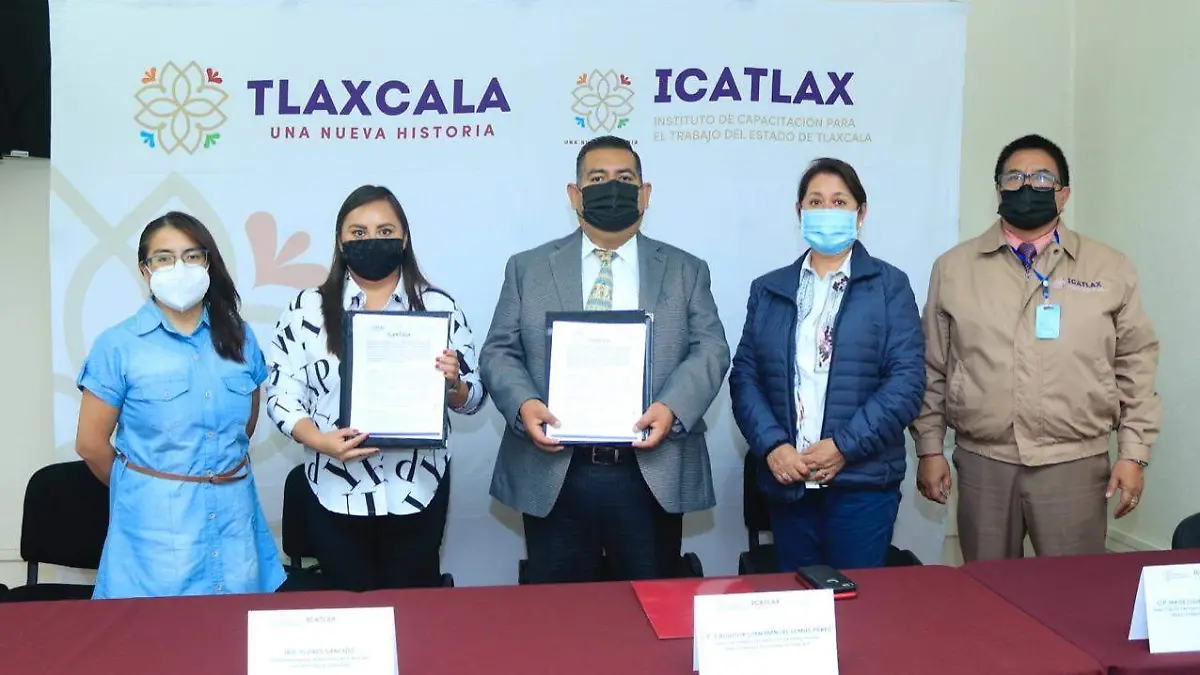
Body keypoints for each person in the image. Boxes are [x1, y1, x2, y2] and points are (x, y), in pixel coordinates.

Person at [481, 135, 730, 583]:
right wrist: (524, 405)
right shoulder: (527, 268)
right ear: (574, 195)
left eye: (624, 179)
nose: (611, 188)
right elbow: (499, 350)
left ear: (645, 194)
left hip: (649, 472)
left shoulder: (686, 269)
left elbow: (711, 349)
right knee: (560, 613)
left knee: (649, 609)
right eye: (597, 179)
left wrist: (672, 408)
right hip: (555, 472)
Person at [912, 134, 1161, 560]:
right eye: (1015, 178)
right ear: (998, 190)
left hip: (1074, 464)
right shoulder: (954, 268)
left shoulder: (1109, 267)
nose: (1028, 186)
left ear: (1064, 195)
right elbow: (931, 366)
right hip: (985, 463)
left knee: (1072, 593)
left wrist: (1134, 454)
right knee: (988, 591)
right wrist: (929, 448)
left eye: (1043, 178)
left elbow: (1136, 365)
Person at [265, 185, 485, 591]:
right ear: (340, 241)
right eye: (359, 232)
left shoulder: (440, 307)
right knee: (347, 609)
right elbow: (281, 395)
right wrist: (319, 440)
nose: (372, 240)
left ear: (404, 238)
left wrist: (454, 384)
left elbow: (473, 399)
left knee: (414, 608)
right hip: (335, 486)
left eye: (385, 231)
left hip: (419, 487)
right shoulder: (306, 309)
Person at [729, 158, 925, 571]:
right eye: (816, 202)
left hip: (862, 485)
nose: (826, 210)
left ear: (861, 213)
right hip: (789, 481)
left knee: (857, 601)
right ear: (799, 211)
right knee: (798, 600)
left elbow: (906, 382)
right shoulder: (769, 289)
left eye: (839, 202)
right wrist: (773, 446)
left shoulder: (890, 286)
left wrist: (843, 447)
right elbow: (745, 376)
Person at [74, 212, 284, 599]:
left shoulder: (239, 337)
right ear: (145, 269)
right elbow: (90, 444)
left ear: (207, 263)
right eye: (164, 258)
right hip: (154, 536)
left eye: (191, 256)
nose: (179, 267)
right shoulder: (118, 345)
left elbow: (244, 424)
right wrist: (150, 485)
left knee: (234, 629)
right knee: (155, 634)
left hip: (234, 523)